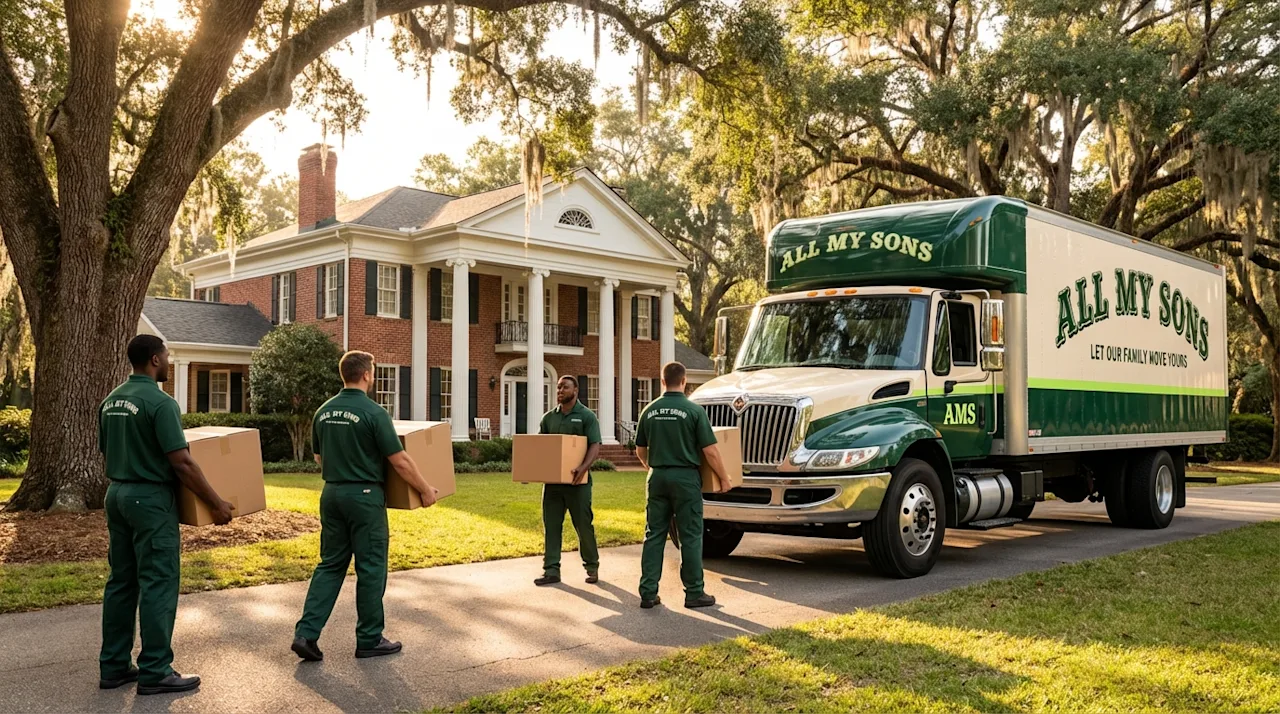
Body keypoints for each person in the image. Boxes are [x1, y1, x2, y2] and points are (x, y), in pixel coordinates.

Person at [98, 335, 235, 696]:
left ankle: (113, 666)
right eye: (167, 355)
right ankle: (156, 670)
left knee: (121, 581)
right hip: (150, 499)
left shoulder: (111, 401)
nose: (169, 359)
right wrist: (217, 503)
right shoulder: (160, 402)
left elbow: (105, 449)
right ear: (156, 360)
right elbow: (183, 463)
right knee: (158, 581)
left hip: (117, 494)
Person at [291, 351, 439, 662]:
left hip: (331, 495)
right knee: (370, 567)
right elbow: (399, 460)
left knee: (330, 565)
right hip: (365, 496)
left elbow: (319, 458)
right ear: (367, 375)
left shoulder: (323, 411)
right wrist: (425, 490)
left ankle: (306, 633)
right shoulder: (374, 413)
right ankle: (369, 638)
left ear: (343, 374)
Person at [635, 361, 730, 610]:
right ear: (685, 381)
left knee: (653, 534)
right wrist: (724, 478)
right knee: (690, 535)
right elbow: (709, 451)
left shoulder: (649, 410)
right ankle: (694, 593)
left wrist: (652, 467)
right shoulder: (694, 411)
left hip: (657, 477)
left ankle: (647, 592)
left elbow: (640, 450)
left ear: (663, 381)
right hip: (686, 478)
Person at [534, 376, 603, 586]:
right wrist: (532, 470)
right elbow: (541, 448)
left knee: (583, 525)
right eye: (558, 387)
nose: (560, 390)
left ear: (576, 390)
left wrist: (583, 468)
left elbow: (595, 445)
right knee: (552, 526)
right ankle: (551, 570)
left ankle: (592, 566)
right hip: (553, 484)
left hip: (577, 484)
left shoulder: (586, 416)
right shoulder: (548, 418)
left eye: (565, 387)